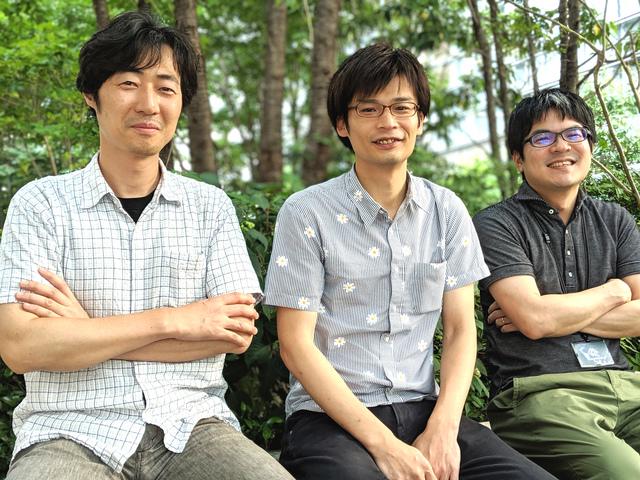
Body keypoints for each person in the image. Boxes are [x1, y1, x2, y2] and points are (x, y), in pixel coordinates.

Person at [0, 11, 292, 480]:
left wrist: (83, 332)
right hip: (69, 432)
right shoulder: (41, 205)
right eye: (129, 84)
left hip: (194, 429)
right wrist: (177, 321)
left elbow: (232, 335)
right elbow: (21, 346)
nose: (149, 104)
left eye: (166, 88)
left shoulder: (209, 207)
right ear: (92, 94)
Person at [264, 43, 556, 480]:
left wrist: (443, 429)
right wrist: (385, 447)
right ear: (342, 124)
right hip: (329, 420)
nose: (388, 122)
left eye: (402, 107)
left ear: (419, 119)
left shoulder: (446, 210)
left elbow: (460, 330)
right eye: (369, 109)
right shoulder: (307, 212)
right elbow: (295, 345)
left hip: (424, 410)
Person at [473, 88, 640, 479]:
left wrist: (551, 313)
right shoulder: (496, 224)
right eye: (542, 137)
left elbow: (540, 318)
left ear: (590, 145)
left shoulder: (615, 220)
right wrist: (616, 291)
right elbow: (534, 320)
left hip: (627, 387)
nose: (561, 146)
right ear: (518, 157)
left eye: (573, 133)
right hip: (540, 395)